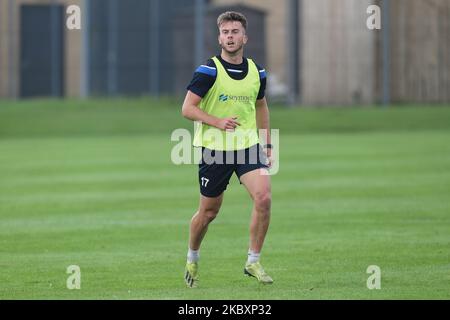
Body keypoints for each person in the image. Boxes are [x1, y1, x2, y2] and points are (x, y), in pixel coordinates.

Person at [181, 11, 273, 288]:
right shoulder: (208, 70)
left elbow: (261, 107)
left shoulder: (257, 72)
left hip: (248, 146)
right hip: (214, 150)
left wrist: (267, 143)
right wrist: (217, 122)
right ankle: (192, 256)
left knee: (264, 198)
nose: (230, 37)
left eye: (235, 32)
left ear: (245, 37)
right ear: (219, 37)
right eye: (225, 32)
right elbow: (187, 109)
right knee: (208, 213)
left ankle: (253, 260)